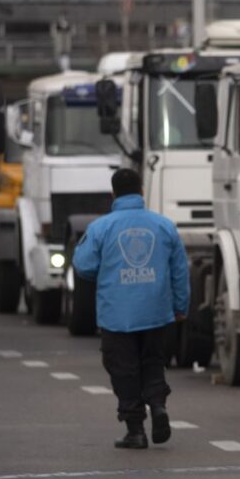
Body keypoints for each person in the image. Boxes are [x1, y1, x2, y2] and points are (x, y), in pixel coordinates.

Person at [73, 168, 189, 449]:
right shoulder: (164, 226)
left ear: (113, 194)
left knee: (123, 370)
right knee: (153, 363)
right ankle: (158, 407)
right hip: (156, 312)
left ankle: (135, 430)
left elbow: (83, 265)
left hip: (117, 316)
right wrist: (180, 306)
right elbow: (180, 271)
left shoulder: (101, 228)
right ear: (142, 191)